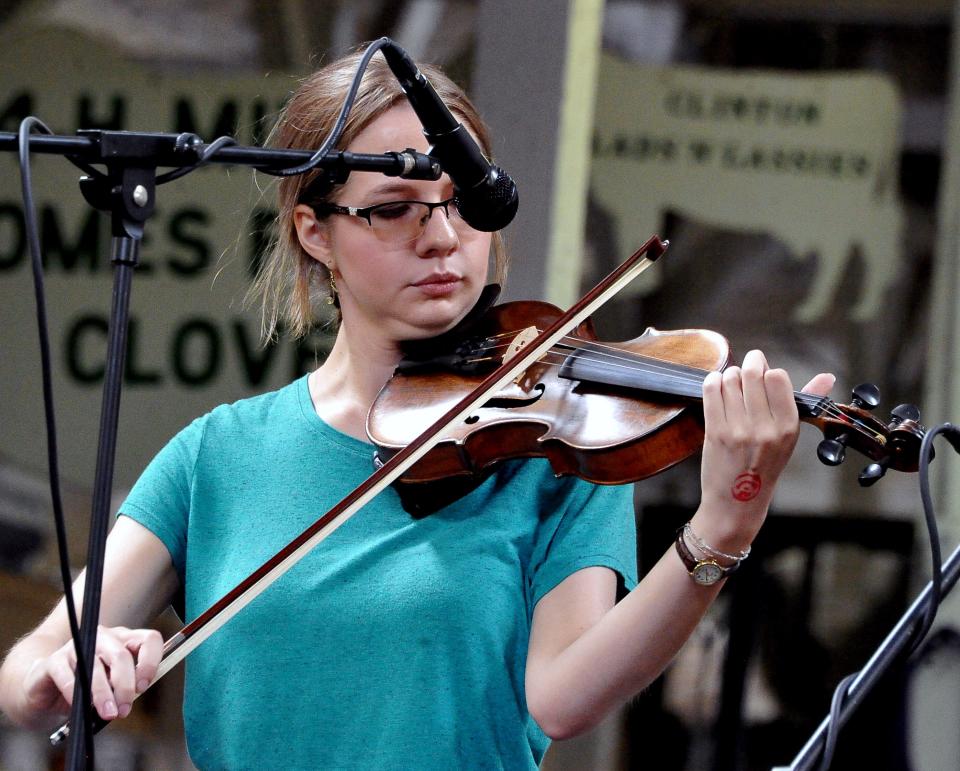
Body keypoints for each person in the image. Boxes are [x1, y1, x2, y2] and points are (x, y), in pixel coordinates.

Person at [0, 48, 834, 769]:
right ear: (314, 231)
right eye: (394, 209)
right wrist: (71, 664)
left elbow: (560, 700)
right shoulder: (217, 455)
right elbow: (26, 677)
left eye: (464, 203)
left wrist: (721, 527)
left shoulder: (554, 447)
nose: (441, 238)